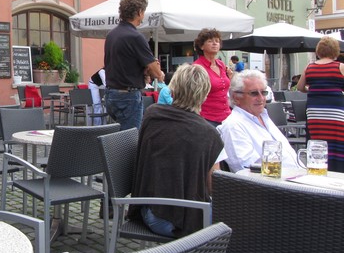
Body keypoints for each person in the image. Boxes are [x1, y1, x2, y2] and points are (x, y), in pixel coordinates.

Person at [127, 64, 223, 238]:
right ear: (205, 94)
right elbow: (214, 187)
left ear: (173, 89)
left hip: (146, 207)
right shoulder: (209, 134)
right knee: (235, 226)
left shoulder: (152, 114)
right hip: (179, 220)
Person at [104, 0, 164, 131]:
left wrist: (143, 70)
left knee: (119, 138)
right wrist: (157, 72)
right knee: (130, 141)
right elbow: (155, 72)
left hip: (111, 94)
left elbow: (123, 64)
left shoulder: (111, 35)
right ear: (139, 12)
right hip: (128, 96)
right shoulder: (135, 37)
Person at [218, 70, 298, 173]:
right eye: (254, 93)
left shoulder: (264, 117)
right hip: (277, 185)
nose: (261, 98)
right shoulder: (233, 126)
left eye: (264, 92)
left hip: (297, 178)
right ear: (236, 97)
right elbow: (246, 171)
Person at [297, 36, 344, 172]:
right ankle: (337, 170)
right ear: (335, 51)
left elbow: (300, 87)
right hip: (336, 111)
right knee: (336, 140)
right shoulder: (340, 67)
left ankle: (316, 167)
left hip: (314, 111)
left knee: (317, 139)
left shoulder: (310, 67)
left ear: (318, 51)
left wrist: (312, 89)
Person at [193, 28, 233, 127]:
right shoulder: (197, 67)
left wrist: (231, 77)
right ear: (201, 46)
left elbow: (225, 89)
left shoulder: (221, 64)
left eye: (217, 41)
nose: (215, 43)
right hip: (207, 118)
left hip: (226, 116)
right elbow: (192, 94)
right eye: (210, 41)